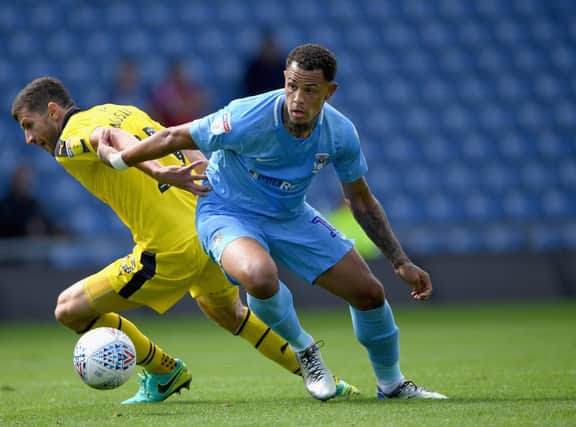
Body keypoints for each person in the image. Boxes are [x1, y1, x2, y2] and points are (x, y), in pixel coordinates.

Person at [98, 44, 448, 401]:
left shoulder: (340, 134)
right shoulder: (245, 116)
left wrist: (400, 261)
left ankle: (391, 384)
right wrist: (120, 160)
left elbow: (361, 200)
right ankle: (304, 348)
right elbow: (175, 136)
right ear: (284, 80)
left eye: (310, 90)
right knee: (260, 277)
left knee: (370, 294)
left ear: (330, 92)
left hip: (291, 215)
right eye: (292, 85)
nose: (297, 98)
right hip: (226, 211)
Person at [10, 77, 359, 405]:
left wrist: (157, 171)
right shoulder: (121, 109)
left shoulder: (67, 143)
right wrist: (205, 169)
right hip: (208, 228)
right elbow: (180, 139)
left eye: (29, 125)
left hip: (168, 249)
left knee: (68, 310)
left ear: (53, 111)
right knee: (228, 313)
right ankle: (328, 380)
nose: (29, 138)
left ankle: (164, 371)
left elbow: (109, 139)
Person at [0, 163, 62, 238]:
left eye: (27, 181)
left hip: (34, 248)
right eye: (21, 181)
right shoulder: (2, 207)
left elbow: (47, 225)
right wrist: (26, 227)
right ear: (14, 181)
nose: (24, 184)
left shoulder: (36, 205)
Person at [148, 59, 208, 127]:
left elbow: (202, 102)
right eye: (179, 71)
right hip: (168, 129)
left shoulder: (189, 89)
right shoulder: (165, 90)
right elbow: (175, 111)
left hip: (188, 129)